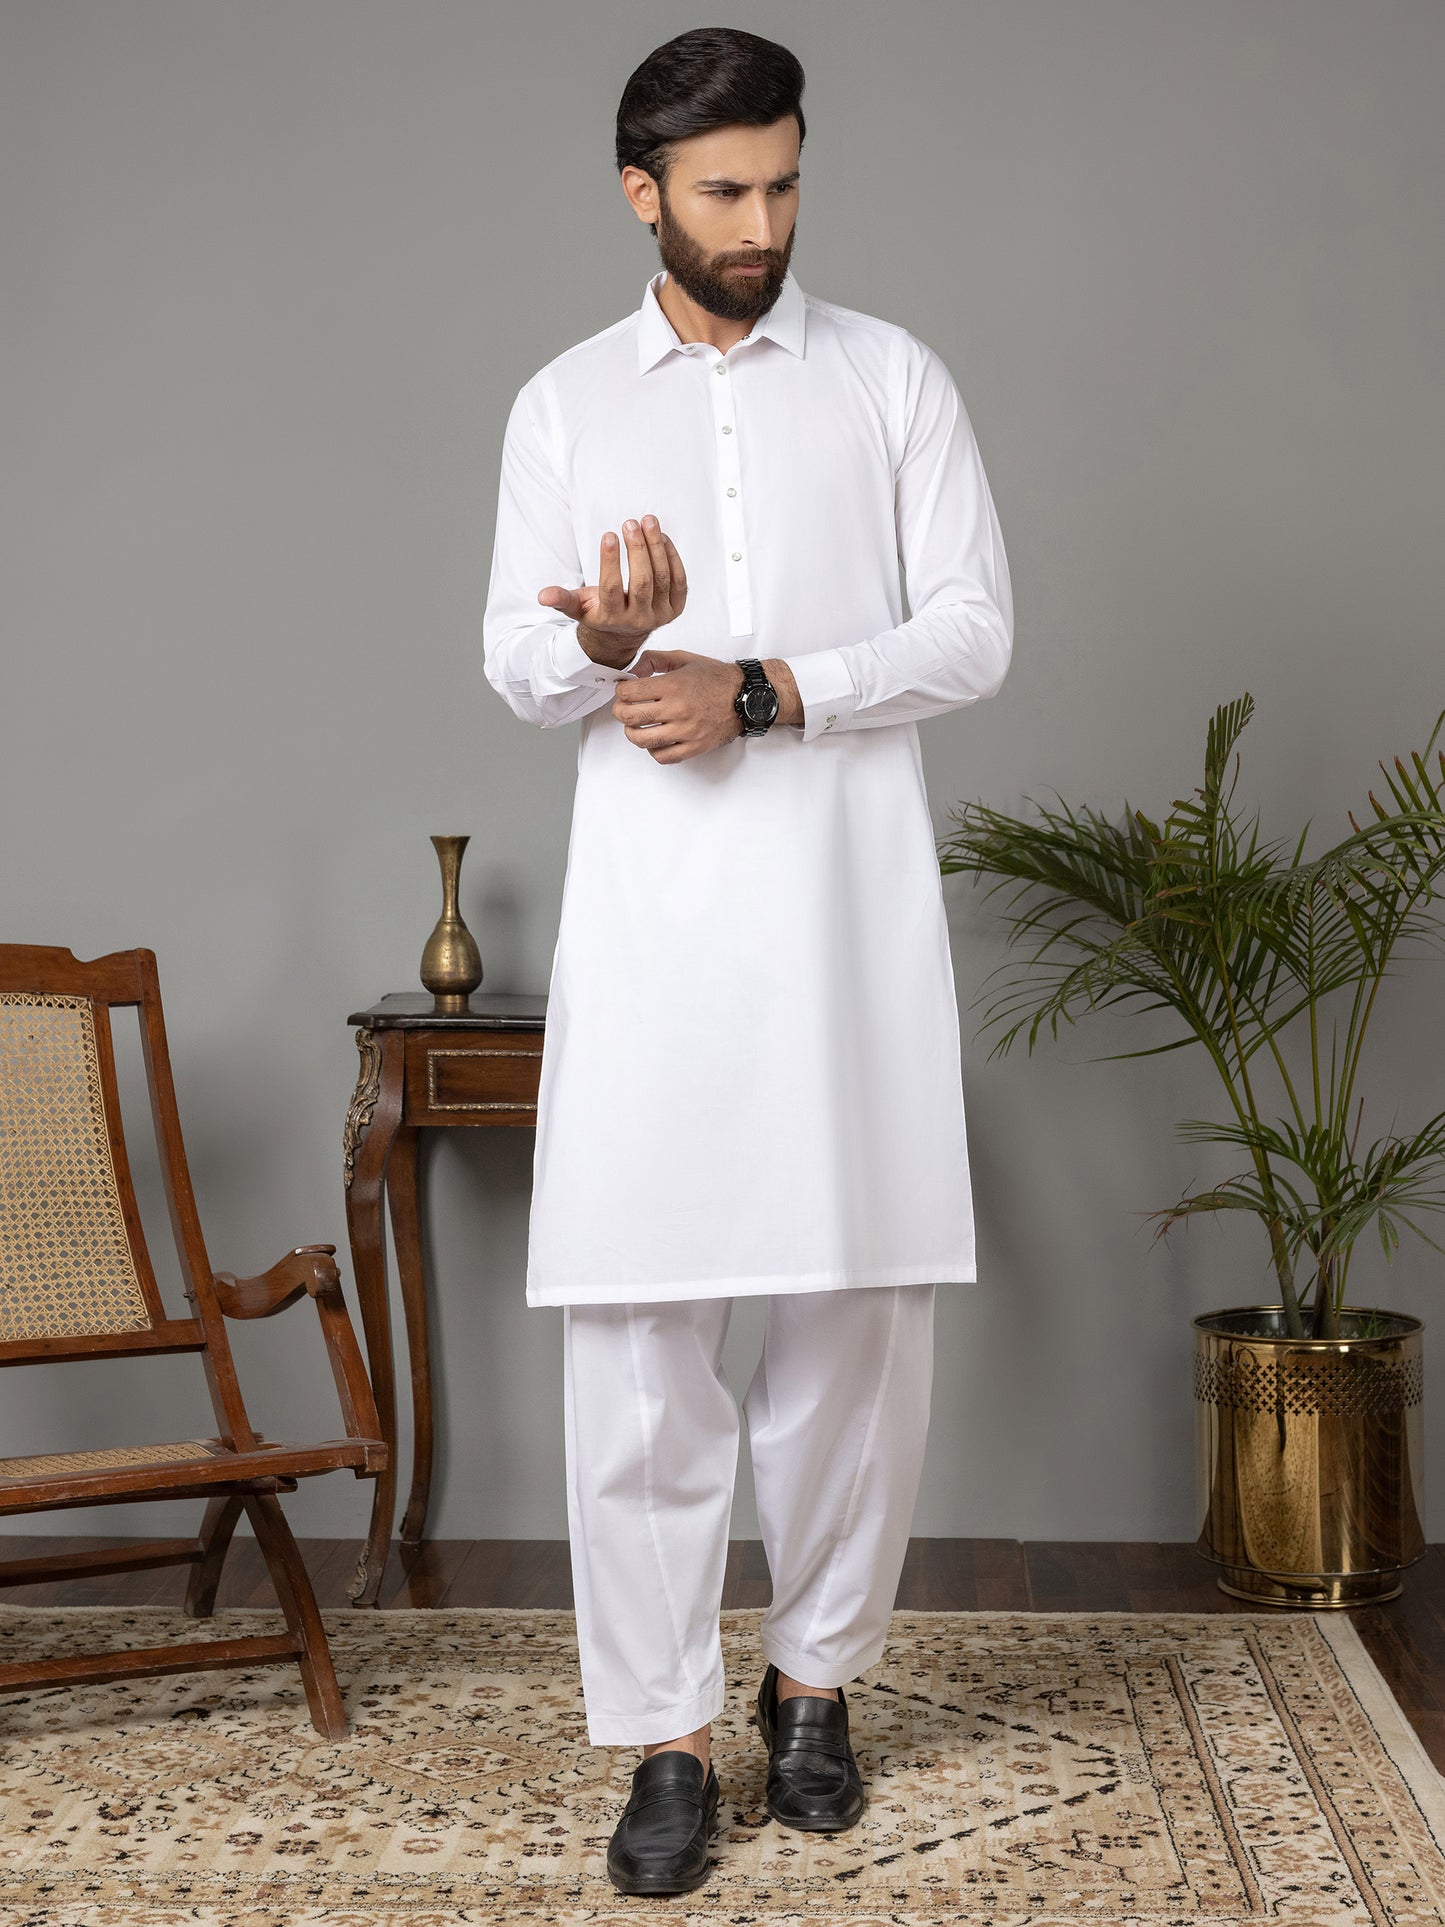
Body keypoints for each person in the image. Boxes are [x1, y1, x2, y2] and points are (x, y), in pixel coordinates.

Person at [482, 24, 1013, 1899]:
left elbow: (973, 631)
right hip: (656, 937)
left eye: (784, 185)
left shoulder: (889, 377)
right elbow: (514, 662)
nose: (762, 224)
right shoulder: (564, 403)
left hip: (844, 920)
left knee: (852, 1326)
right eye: (724, 192)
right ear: (642, 192)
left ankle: (814, 1689)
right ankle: (662, 1737)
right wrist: (601, 644)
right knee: (639, 1342)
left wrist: (767, 687)